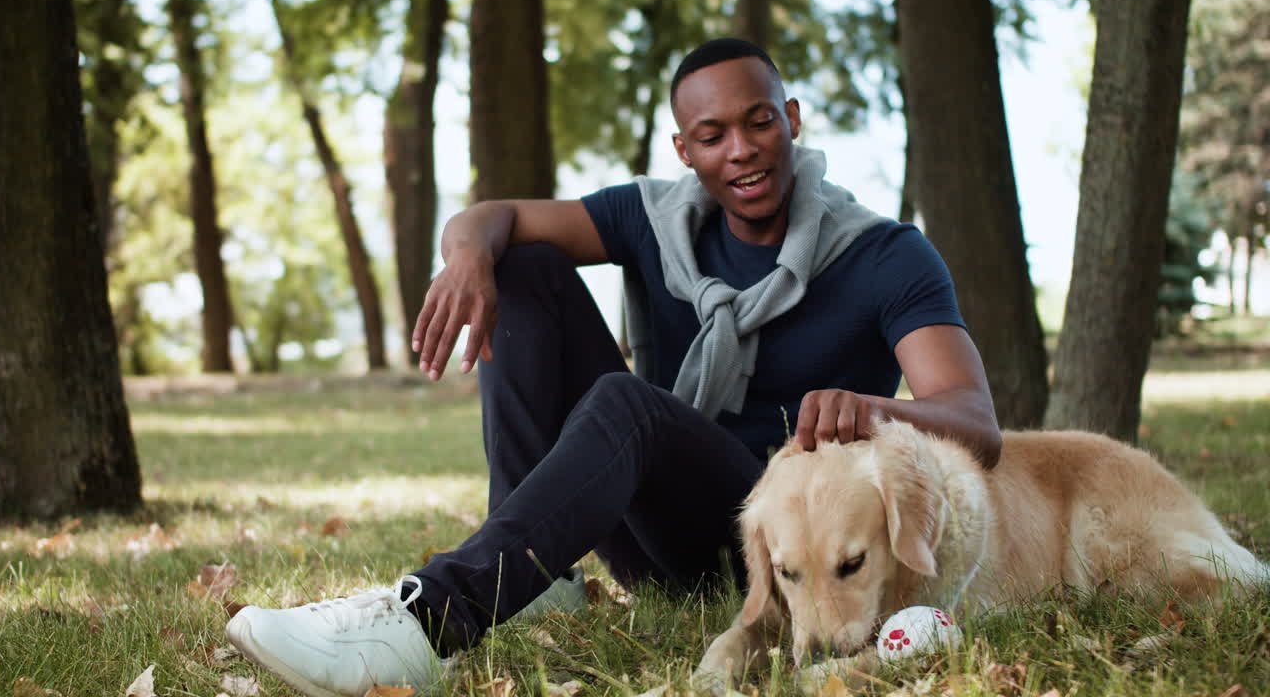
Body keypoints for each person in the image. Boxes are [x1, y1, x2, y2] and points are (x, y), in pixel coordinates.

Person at [225, 37, 1002, 696]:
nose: (741, 150)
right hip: (659, 526)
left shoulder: (883, 254)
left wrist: (874, 408)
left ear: (790, 120)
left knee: (626, 402)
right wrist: (466, 255)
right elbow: (495, 217)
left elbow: (975, 421)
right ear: (684, 150)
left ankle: (432, 616)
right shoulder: (655, 218)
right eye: (712, 134)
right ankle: (539, 585)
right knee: (523, 264)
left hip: (794, 557)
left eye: (760, 122)